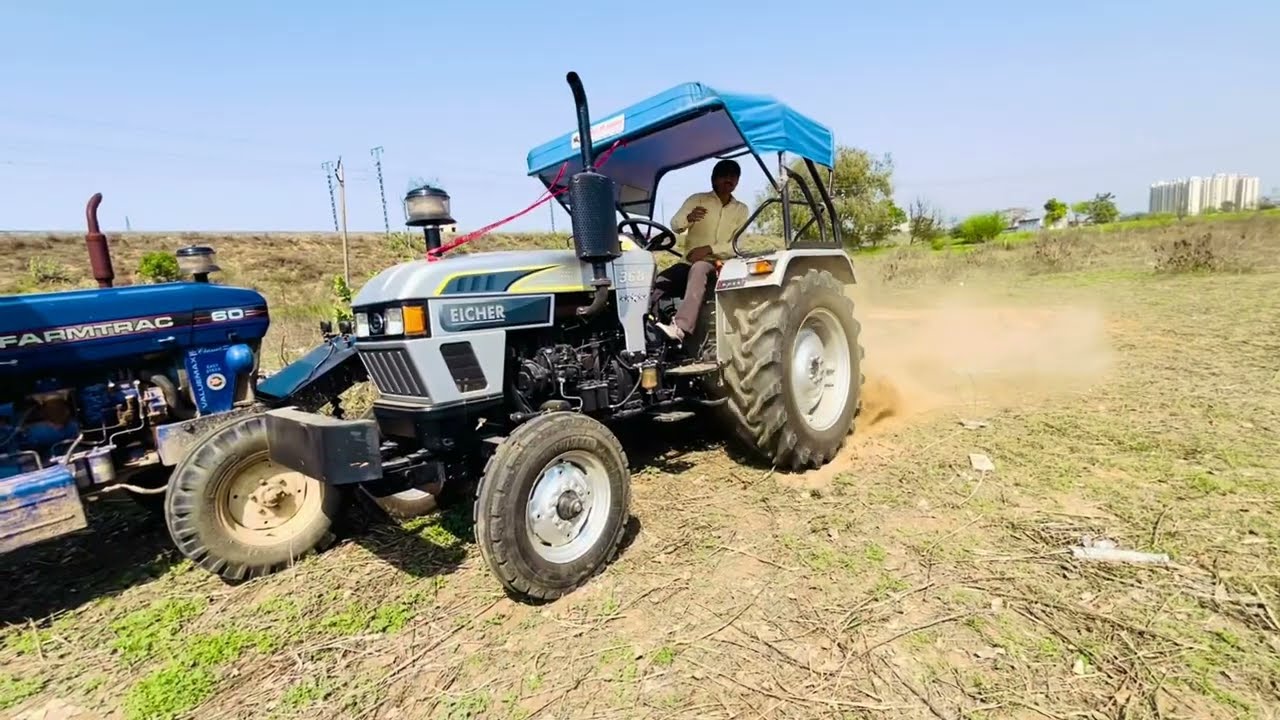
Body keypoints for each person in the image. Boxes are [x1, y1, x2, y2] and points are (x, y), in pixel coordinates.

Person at [651, 159, 749, 341]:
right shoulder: (697, 200)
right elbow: (675, 224)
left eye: (734, 176)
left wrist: (709, 249)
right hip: (688, 263)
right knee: (660, 281)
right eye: (724, 175)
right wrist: (688, 218)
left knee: (700, 267)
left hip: (721, 266)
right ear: (714, 179)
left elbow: (738, 245)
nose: (729, 179)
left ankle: (680, 328)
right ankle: (650, 328)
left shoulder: (741, 210)